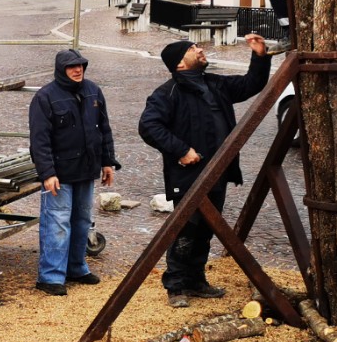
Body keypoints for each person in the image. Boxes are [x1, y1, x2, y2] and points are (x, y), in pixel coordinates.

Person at [139, 34, 274, 308]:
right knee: (185, 231)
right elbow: (149, 127)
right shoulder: (167, 94)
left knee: (207, 230)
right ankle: (176, 286)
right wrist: (181, 150)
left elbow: (252, 84)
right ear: (179, 64)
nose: (200, 50)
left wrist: (259, 57)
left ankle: (197, 281)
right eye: (192, 49)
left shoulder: (215, 84)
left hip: (218, 174)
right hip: (188, 176)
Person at [27, 49, 118, 296]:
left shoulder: (93, 91)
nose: (78, 70)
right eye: (72, 67)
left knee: (81, 222)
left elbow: (104, 129)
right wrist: (47, 173)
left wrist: (108, 162)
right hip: (60, 173)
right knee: (57, 223)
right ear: (61, 69)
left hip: (86, 170)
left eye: (81, 65)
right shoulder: (45, 97)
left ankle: (76, 268)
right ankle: (50, 276)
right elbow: (40, 140)